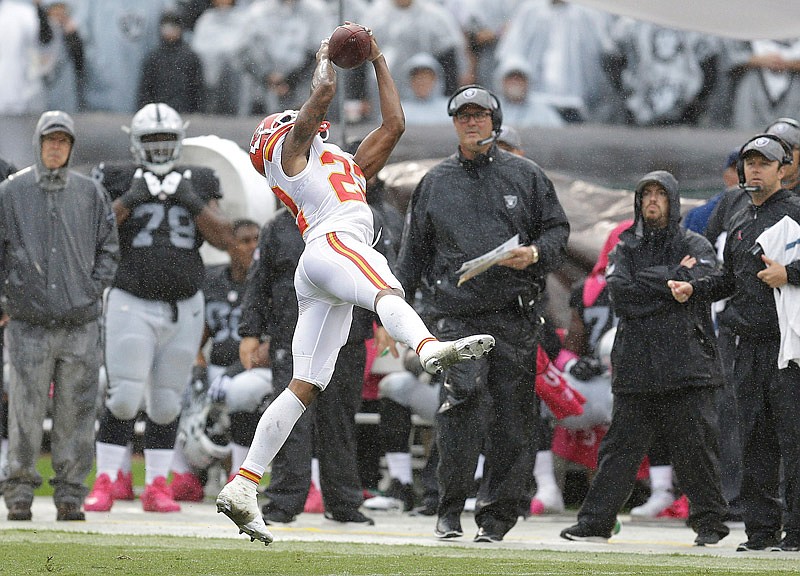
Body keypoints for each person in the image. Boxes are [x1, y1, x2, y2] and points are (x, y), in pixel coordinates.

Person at [216, 25, 494, 546]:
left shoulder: (338, 161)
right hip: (332, 244)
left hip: (322, 265)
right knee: (386, 287)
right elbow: (321, 94)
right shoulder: (290, 157)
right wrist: (326, 54)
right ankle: (429, 348)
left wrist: (380, 61)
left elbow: (395, 122)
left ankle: (245, 482)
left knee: (305, 384)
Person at [396, 84, 570, 543]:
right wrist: (392, 318)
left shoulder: (527, 176)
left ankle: (496, 517)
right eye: (463, 115)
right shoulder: (434, 183)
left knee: (514, 418)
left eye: (481, 115)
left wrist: (533, 254)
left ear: (495, 121)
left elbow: (557, 231)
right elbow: (411, 257)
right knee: (462, 402)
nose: (472, 123)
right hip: (458, 316)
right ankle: (448, 507)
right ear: (454, 123)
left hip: (514, 315)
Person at [560, 170, 729, 547]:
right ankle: (594, 522)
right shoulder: (625, 246)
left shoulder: (696, 243)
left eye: (659, 194)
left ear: (672, 199)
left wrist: (659, 282)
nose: (652, 200)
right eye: (646, 193)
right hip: (636, 366)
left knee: (697, 450)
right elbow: (621, 293)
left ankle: (710, 525)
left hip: (688, 367)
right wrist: (674, 279)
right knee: (619, 451)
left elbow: (709, 281)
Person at [84, 102, 234, 514]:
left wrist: (192, 201)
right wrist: (131, 199)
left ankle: (156, 486)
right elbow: (94, 232)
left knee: (167, 401)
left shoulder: (198, 180)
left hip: (184, 305)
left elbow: (225, 238)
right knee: (123, 398)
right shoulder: (117, 178)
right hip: (130, 300)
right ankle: (105, 481)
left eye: (166, 140)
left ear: (180, 140)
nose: (160, 148)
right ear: (135, 143)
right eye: (152, 140)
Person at [669, 134, 800, 552]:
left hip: (789, 345)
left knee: (793, 439)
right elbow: (730, 279)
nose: (755, 169)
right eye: (750, 162)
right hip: (747, 343)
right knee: (754, 439)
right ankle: (760, 531)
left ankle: (796, 533)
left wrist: (790, 275)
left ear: (784, 169)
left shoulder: (796, 214)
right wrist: (696, 289)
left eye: (765, 163)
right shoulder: (739, 215)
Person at [0, 111, 119, 521]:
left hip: (79, 324)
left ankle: (70, 493)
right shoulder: (11, 193)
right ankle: (18, 492)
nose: (55, 147)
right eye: (49, 140)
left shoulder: (91, 193)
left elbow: (109, 248)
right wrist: (5, 299)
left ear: (71, 147)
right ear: (38, 143)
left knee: (77, 412)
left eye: (62, 141)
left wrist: (90, 290)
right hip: (27, 322)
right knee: (24, 411)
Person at [169, 218, 268, 501]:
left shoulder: (266, 282)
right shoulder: (213, 282)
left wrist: (234, 371)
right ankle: (184, 474)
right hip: (217, 368)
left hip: (258, 369)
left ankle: (240, 475)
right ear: (230, 247)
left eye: (257, 240)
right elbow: (196, 338)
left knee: (240, 391)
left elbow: (273, 344)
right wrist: (198, 370)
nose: (253, 247)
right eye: (246, 241)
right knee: (173, 387)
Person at [138, 10, 204, 114]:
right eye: (166, 27)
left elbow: (199, 90)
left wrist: (198, 112)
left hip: (186, 113)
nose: (170, 31)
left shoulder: (190, 57)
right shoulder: (153, 58)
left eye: (173, 27)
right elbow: (145, 91)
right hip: (157, 115)